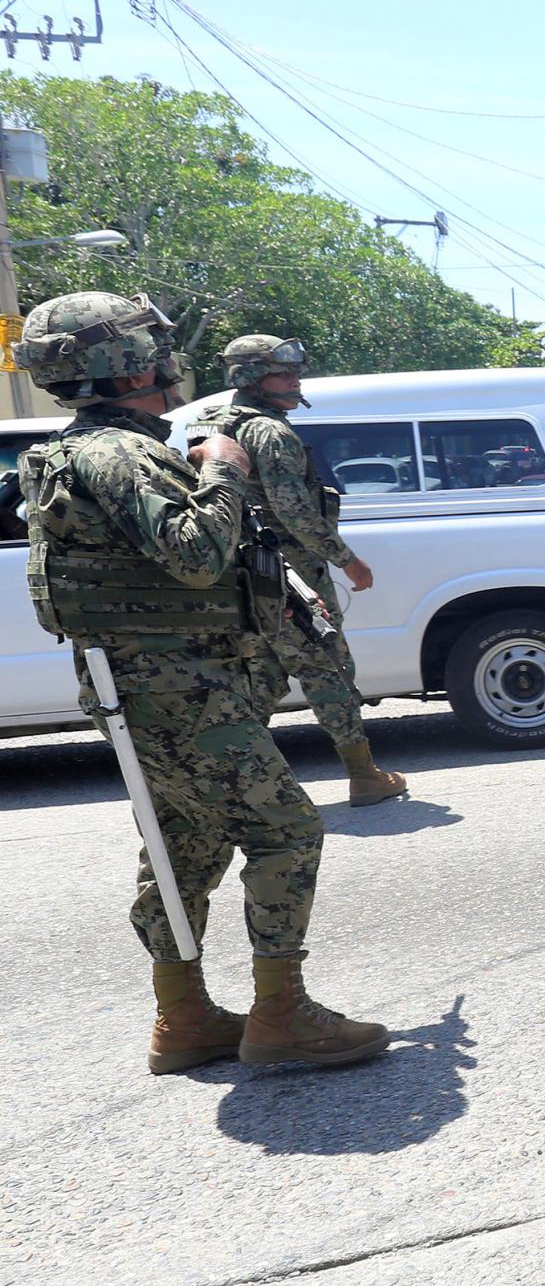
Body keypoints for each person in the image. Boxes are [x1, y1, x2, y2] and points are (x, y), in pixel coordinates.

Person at [18, 292, 389, 1072]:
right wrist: (221, 473)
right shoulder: (117, 454)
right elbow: (193, 553)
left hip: (153, 687)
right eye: (152, 343)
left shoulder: (86, 450)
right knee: (286, 832)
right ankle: (282, 1014)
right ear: (124, 363)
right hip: (182, 690)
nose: (167, 354)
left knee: (182, 841)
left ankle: (182, 1017)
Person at [193, 333, 408, 807]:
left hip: (238, 573)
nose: (295, 380)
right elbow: (293, 511)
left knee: (263, 674)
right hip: (284, 574)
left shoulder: (210, 422)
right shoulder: (269, 431)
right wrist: (347, 559)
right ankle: (364, 774)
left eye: (295, 372)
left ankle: (231, 785)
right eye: (282, 373)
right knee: (327, 665)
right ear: (251, 377)